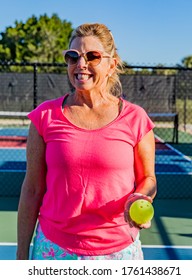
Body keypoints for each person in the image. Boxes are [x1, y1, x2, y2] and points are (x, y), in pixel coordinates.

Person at [16, 23, 157, 260]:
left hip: (119, 253)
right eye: (73, 57)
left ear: (111, 65)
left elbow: (148, 179)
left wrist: (141, 196)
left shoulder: (136, 118)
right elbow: (32, 190)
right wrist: (21, 256)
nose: (81, 64)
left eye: (92, 56)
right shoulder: (44, 116)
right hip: (54, 250)